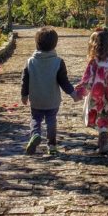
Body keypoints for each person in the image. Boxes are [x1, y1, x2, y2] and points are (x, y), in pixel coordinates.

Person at [20, 27, 78, 155]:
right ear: (55, 44)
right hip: (52, 100)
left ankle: (35, 134)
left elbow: (25, 81)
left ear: (37, 43)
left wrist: (24, 95)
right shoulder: (58, 62)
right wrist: (74, 94)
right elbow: (64, 82)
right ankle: (51, 146)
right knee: (51, 121)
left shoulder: (30, 62)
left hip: (36, 99)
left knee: (35, 119)